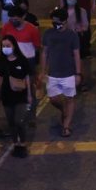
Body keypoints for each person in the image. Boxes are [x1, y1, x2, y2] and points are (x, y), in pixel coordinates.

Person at [39, 8, 81, 138]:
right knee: (53, 99)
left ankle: (66, 126)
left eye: (58, 22)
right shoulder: (48, 34)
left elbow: (76, 55)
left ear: (65, 21)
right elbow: (44, 53)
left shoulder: (72, 35)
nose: (55, 24)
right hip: (53, 74)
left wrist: (78, 74)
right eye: (54, 22)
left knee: (70, 98)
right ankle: (64, 110)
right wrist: (43, 71)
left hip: (68, 73)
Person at [0, 35, 34, 158]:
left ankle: (23, 143)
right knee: (11, 122)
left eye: (8, 46)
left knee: (19, 121)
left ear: (14, 46)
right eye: (3, 46)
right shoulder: (0, 62)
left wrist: (29, 95)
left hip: (20, 96)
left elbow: (27, 77)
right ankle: (16, 144)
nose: (5, 48)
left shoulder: (22, 60)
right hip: (7, 96)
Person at [62, 0, 91, 64]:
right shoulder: (61, 11)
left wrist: (79, 29)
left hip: (77, 40)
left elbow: (86, 26)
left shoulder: (82, 11)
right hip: (65, 40)